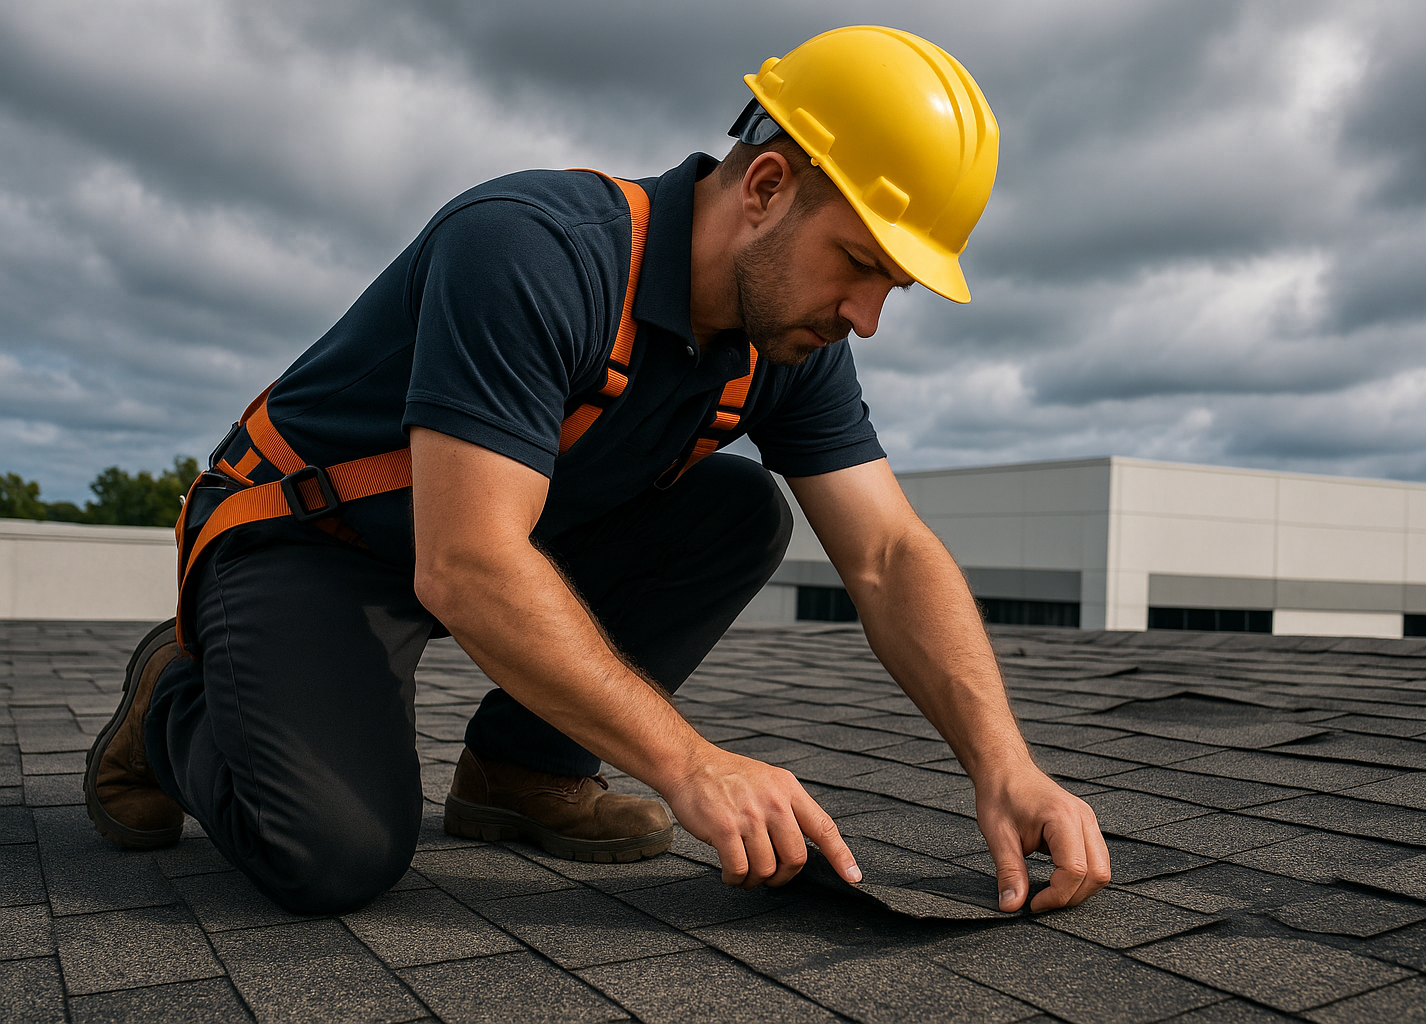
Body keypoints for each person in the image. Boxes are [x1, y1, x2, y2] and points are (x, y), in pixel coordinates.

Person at [85, 26, 1111, 916]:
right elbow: (470, 563)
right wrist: (690, 764)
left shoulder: (789, 343)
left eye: (893, 286)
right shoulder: (533, 253)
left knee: (740, 510)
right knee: (331, 855)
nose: (867, 317)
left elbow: (886, 553)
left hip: (486, 535)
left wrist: (1004, 763)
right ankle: (172, 698)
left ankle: (522, 770)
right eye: (861, 263)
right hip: (308, 539)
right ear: (764, 186)